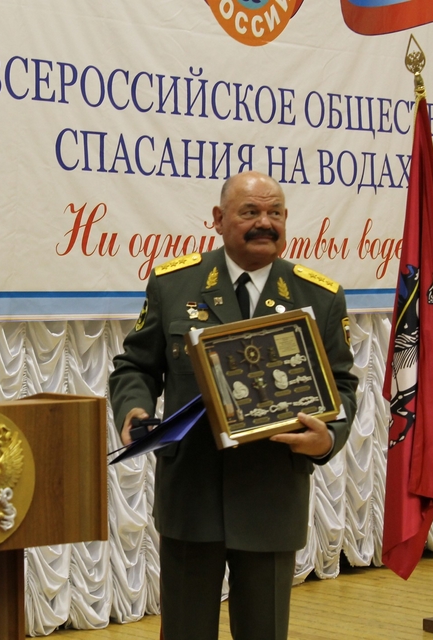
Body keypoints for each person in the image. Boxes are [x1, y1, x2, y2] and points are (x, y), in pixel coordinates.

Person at [109, 171, 357, 640]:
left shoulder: (320, 296)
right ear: (219, 219)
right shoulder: (174, 284)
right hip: (192, 491)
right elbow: (135, 367)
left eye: (275, 213)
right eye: (250, 212)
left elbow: (342, 386)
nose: (265, 222)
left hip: (271, 494)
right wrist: (134, 411)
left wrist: (328, 439)